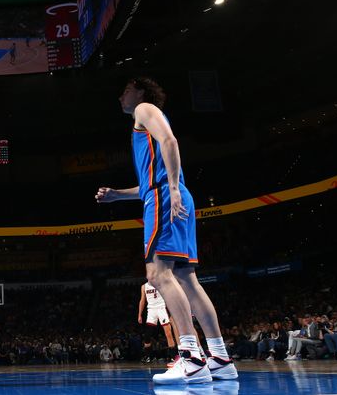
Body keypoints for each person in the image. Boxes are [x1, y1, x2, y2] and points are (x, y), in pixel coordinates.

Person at [95, 78, 237, 384]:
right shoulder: (143, 123)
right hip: (165, 193)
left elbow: (170, 142)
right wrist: (118, 194)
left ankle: (191, 357)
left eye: (125, 90)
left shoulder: (144, 109)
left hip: (165, 196)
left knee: (158, 275)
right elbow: (148, 183)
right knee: (187, 279)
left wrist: (171, 189)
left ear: (141, 91)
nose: (121, 96)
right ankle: (220, 358)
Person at [138, 282, 179, 367]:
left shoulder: (161, 283)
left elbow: (169, 296)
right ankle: (148, 356)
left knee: (168, 333)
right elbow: (142, 300)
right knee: (147, 335)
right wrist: (139, 314)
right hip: (151, 310)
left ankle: (173, 356)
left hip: (162, 308)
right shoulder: (144, 286)